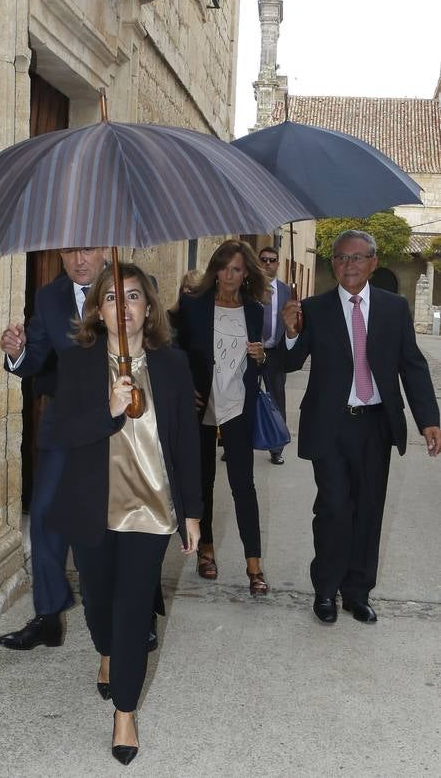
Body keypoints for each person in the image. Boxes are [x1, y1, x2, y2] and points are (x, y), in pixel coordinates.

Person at [50, 263, 202, 764]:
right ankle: (107, 652)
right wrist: (108, 410)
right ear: (98, 310)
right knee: (97, 603)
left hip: (151, 507)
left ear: (149, 307)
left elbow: (186, 442)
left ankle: (125, 712)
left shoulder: (174, 365)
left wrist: (193, 513)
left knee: (134, 610)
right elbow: (62, 434)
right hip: (93, 505)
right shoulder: (76, 363)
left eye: (134, 296)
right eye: (113, 298)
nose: (125, 306)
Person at [0, 248, 161, 652]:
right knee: (47, 517)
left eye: (87, 248)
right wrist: (16, 351)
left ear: (105, 249)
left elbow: (155, 344)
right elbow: (33, 357)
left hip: (124, 424)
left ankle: (138, 614)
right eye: (69, 251)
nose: (78, 259)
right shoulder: (50, 296)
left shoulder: (132, 286)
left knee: (128, 518)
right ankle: (48, 616)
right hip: (66, 425)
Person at [281, 230, 441, 625]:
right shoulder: (314, 309)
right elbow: (288, 362)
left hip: (375, 426)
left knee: (369, 510)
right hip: (330, 426)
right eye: (340, 258)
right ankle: (325, 590)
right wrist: (289, 332)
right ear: (332, 264)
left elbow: (413, 365)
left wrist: (429, 419)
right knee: (334, 508)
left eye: (357, 258)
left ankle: (356, 592)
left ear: (373, 262)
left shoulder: (393, 308)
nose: (348, 265)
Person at [177, 239, 270, 596]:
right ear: (215, 269)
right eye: (225, 268)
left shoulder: (254, 311)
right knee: (203, 482)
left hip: (237, 405)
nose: (230, 276)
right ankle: (206, 550)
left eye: (237, 269)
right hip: (201, 405)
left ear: (246, 273)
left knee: (243, 485)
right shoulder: (194, 306)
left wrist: (261, 357)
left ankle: (254, 566)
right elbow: (176, 351)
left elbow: (259, 363)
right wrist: (186, 387)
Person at [258, 246, 291, 465]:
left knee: (277, 398)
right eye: (264, 260)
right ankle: (232, 444)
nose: (268, 264)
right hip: (251, 351)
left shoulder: (287, 290)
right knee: (242, 397)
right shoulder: (249, 287)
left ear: (278, 263)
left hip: (276, 352)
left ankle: (276, 447)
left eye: (272, 260)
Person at [167, 269, 203, 333]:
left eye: (191, 288)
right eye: (184, 287)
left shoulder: (204, 320)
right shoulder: (170, 317)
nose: (185, 291)